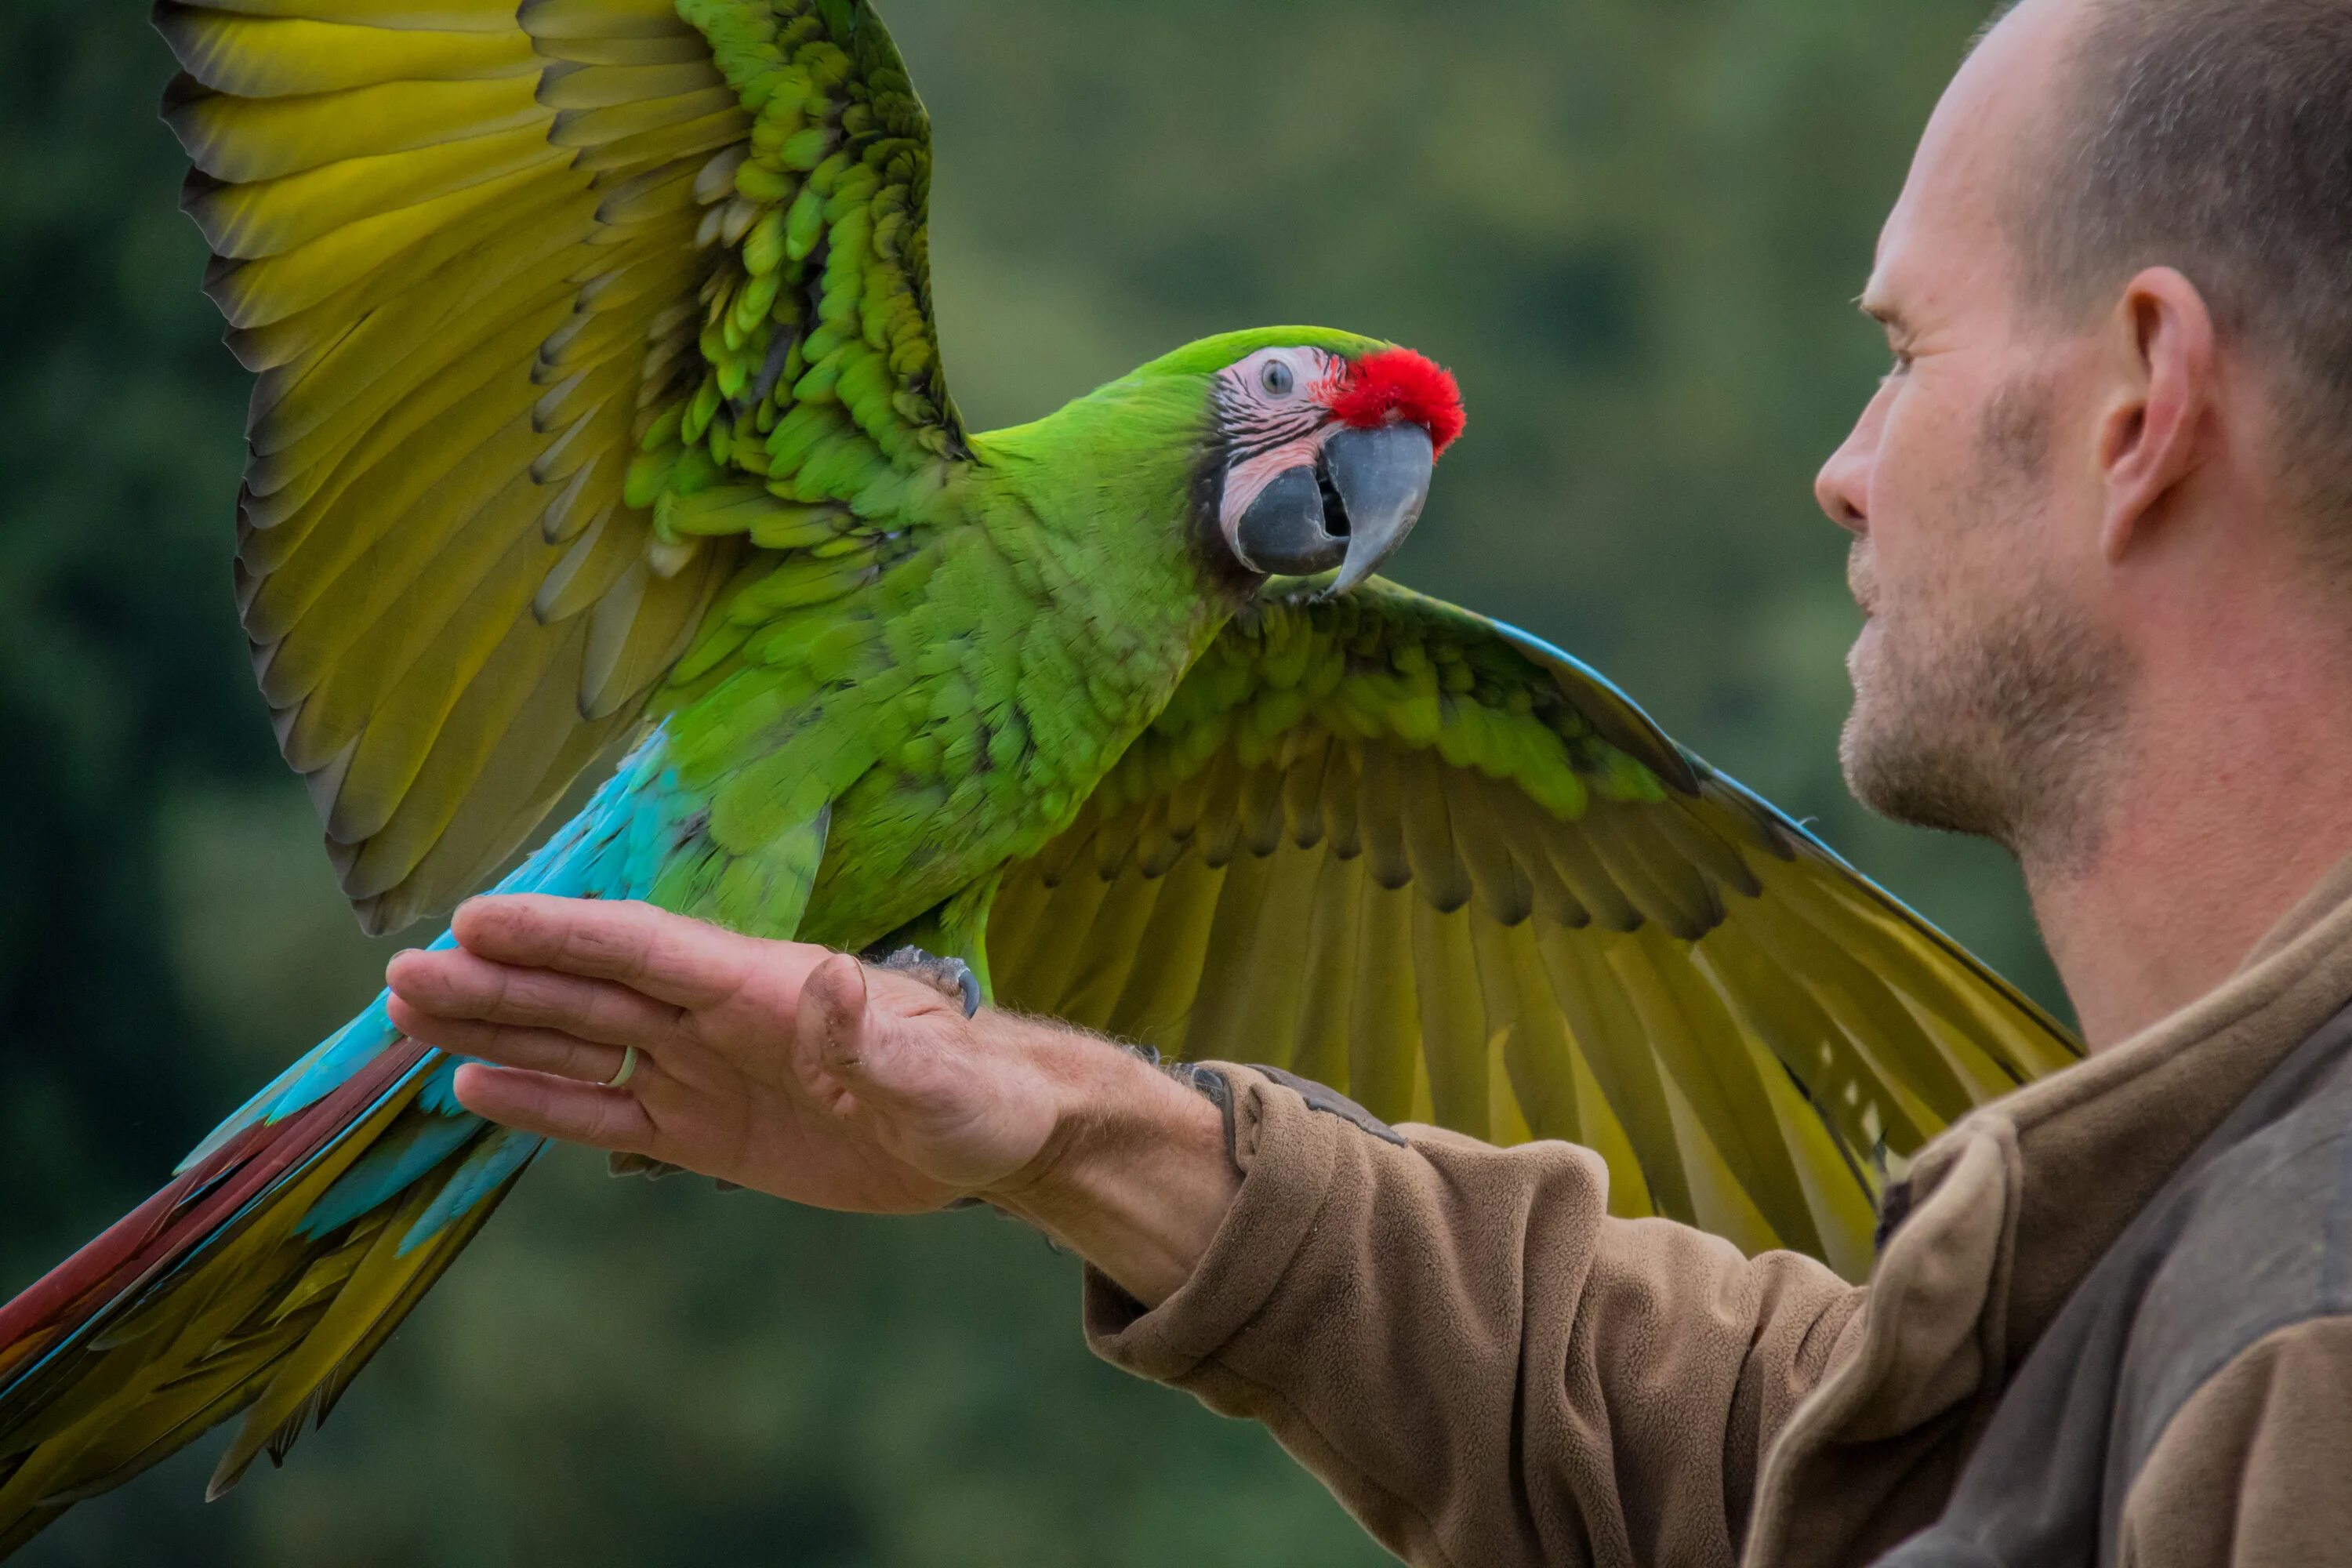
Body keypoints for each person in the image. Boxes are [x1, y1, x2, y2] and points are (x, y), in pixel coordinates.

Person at [382, 0, 2352, 1560]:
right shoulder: (2196, 1299)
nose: (1841, 464)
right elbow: (1833, 1480)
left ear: (2144, 400)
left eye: (1903, 354)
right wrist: (1079, 1131)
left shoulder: (2303, 1333)